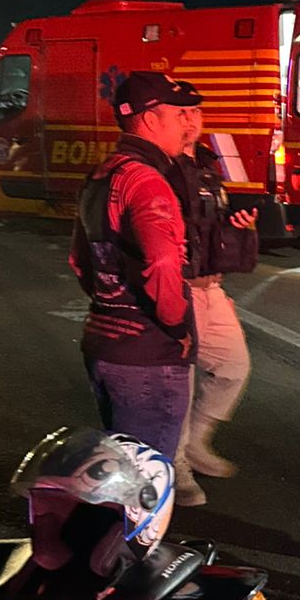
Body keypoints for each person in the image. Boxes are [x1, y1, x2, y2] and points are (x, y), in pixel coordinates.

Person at [68, 72, 199, 460]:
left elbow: (80, 261)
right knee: (146, 479)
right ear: (151, 120)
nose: (187, 123)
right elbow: (162, 260)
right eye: (178, 114)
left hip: (104, 346)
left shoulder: (102, 174)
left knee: (120, 468)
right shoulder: (147, 182)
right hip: (148, 356)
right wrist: (176, 326)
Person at [170, 103, 259, 507]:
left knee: (233, 366)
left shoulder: (208, 163)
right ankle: (173, 463)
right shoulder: (160, 167)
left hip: (211, 286)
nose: (191, 120)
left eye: (195, 112)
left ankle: (194, 442)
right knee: (179, 380)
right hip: (179, 287)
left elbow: (212, 227)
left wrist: (241, 230)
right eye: (181, 113)